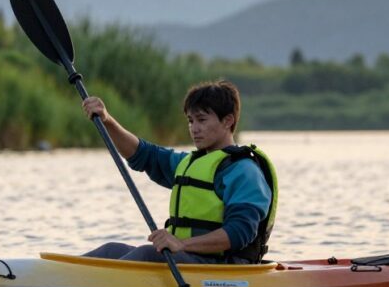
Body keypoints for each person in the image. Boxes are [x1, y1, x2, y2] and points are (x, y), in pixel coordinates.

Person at [81, 80, 277, 264]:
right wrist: (107, 120)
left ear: (227, 121)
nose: (194, 128)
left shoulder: (245, 171)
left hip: (224, 267)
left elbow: (240, 232)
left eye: (201, 120)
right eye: (190, 121)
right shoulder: (189, 162)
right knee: (110, 250)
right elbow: (144, 155)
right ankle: (59, 276)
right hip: (190, 259)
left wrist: (182, 244)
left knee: (148, 254)